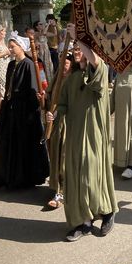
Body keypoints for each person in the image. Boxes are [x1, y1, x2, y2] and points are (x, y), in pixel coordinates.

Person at [54, 24, 118, 241]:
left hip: (93, 134)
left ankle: (107, 210)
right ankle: (83, 221)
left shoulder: (98, 73)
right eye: (76, 48)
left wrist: (79, 36)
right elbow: (63, 104)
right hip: (74, 135)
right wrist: (54, 114)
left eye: (82, 48)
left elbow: (97, 62)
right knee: (75, 178)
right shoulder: (71, 78)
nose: (78, 50)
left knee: (91, 175)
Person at [0, 33, 49, 189]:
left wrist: (31, 108)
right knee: (7, 142)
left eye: (12, 46)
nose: (10, 49)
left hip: (24, 111)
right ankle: (6, 176)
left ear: (21, 47)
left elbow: (33, 89)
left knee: (23, 143)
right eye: (9, 46)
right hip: (10, 109)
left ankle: (23, 178)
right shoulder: (11, 65)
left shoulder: (29, 64)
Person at [45, 51, 75, 209]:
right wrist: (44, 103)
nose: (64, 67)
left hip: (67, 123)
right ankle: (55, 186)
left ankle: (62, 191)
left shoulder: (73, 80)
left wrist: (56, 113)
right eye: (62, 64)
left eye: (67, 64)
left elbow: (71, 102)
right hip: (55, 123)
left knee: (64, 157)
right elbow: (50, 98)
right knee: (55, 155)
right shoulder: (57, 78)